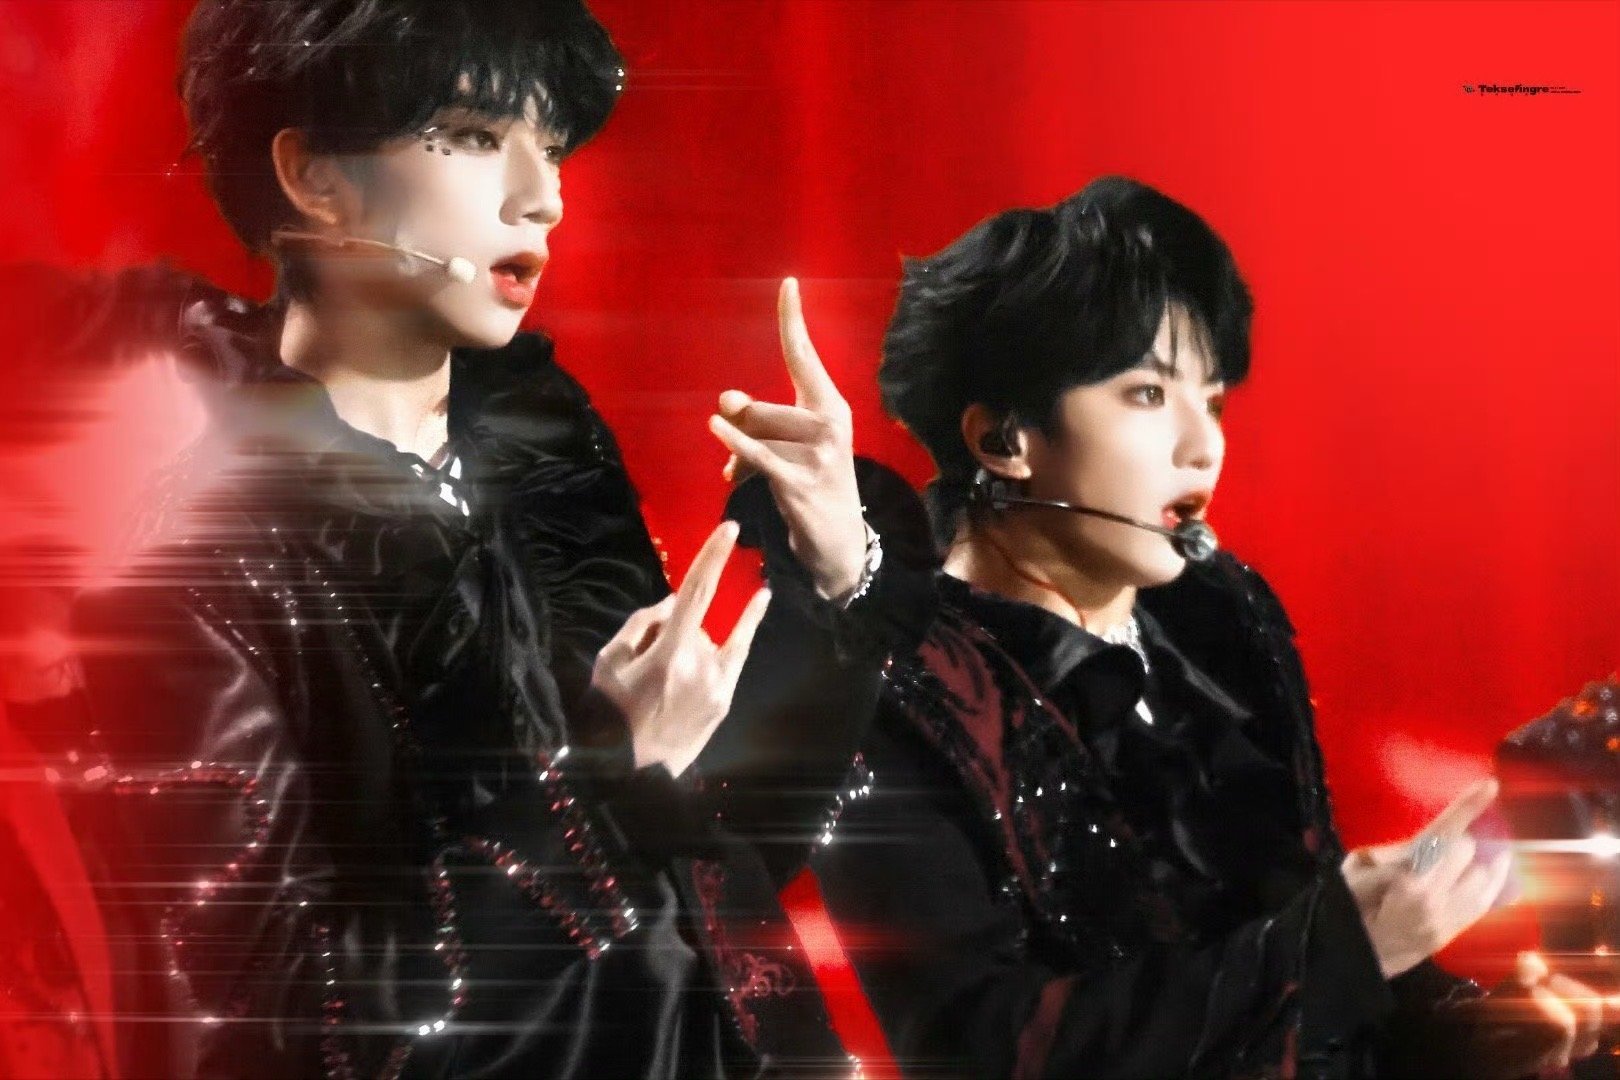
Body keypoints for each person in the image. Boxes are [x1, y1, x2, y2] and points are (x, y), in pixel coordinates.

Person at [1, 1, 933, 1076]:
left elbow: (719, 852)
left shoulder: (545, 456)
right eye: (476, 135)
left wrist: (837, 574)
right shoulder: (194, 554)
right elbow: (286, 1028)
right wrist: (601, 783)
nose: (544, 198)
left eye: (552, 146)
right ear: (312, 174)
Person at [811, 176, 1607, 1078]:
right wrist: (1332, 956)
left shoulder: (1220, 619)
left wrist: (1465, 1037)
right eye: (1149, 394)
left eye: (1215, 401)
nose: (1204, 447)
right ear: (1005, 440)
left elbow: (1303, 930)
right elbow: (989, 1048)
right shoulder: (890, 697)